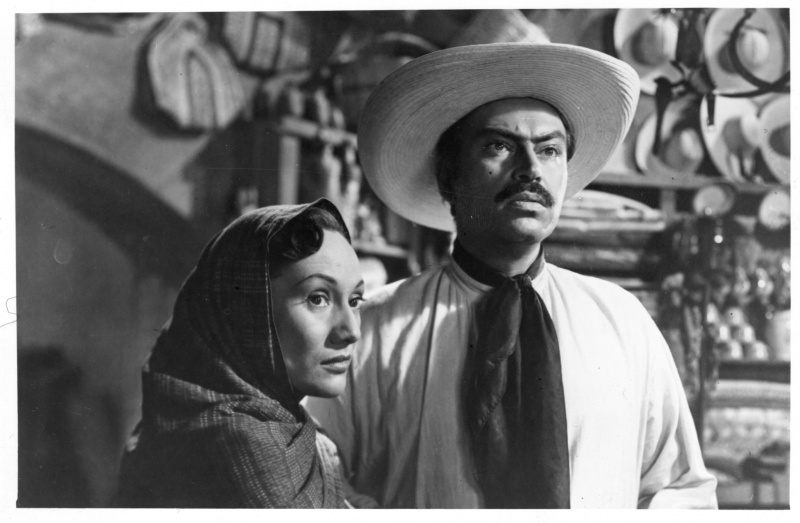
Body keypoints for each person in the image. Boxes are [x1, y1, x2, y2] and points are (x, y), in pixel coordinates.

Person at [305, 43, 718, 508]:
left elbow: (681, 491)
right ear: (449, 176)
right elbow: (317, 487)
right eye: (499, 146)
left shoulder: (623, 322)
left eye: (550, 150)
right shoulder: (374, 330)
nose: (531, 170)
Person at [116, 199, 364, 508]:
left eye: (355, 300)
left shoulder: (279, 426)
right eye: (318, 298)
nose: (351, 331)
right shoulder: (238, 445)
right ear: (249, 311)